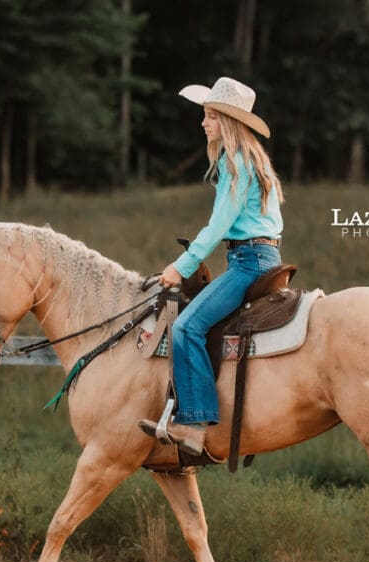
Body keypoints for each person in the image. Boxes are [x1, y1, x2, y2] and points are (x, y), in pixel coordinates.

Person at [140, 76, 284, 457]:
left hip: (248, 262)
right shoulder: (257, 162)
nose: (203, 124)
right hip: (265, 256)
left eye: (210, 116)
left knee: (187, 326)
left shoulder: (236, 163)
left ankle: (195, 422)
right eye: (204, 116)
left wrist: (181, 266)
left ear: (229, 122)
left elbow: (219, 225)